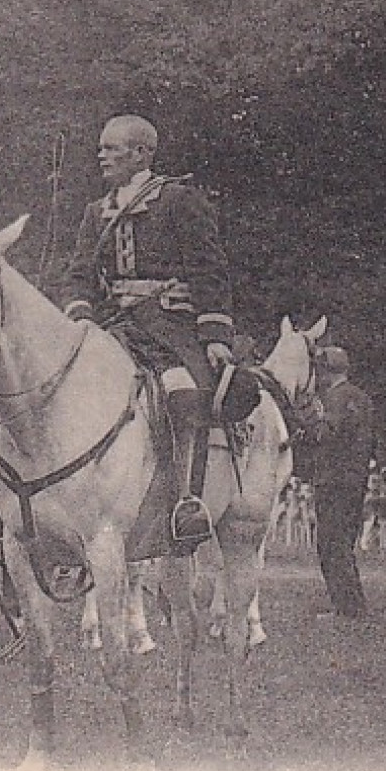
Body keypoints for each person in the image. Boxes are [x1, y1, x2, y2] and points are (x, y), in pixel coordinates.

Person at [60, 114, 235, 552]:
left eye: (112, 148)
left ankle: (186, 501)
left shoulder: (178, 201)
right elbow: (79, 273)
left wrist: (213, 332)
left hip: (168, 329)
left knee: (183, 392)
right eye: (101, 147)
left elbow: (208, 268)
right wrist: (80, 313)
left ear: (142, 153)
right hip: (110, 327)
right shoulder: (95, 212)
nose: (102, 155)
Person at [304, 345, 378, 618]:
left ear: (325, 370)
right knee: (344, 543)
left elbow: (326, 434)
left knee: (330, 544)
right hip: (355, 479)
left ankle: (347, 608)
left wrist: (308, 424)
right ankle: (352, 603)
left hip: (332, 479)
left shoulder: (333, 398)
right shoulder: (361, 398)